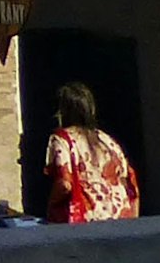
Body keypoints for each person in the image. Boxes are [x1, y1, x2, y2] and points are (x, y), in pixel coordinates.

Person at [41, 80, 138, 222]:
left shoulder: (62, 139)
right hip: (119, 221)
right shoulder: (108, 141)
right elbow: (129, 182)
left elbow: (65, 184)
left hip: (88, 222)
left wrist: (51, 206)